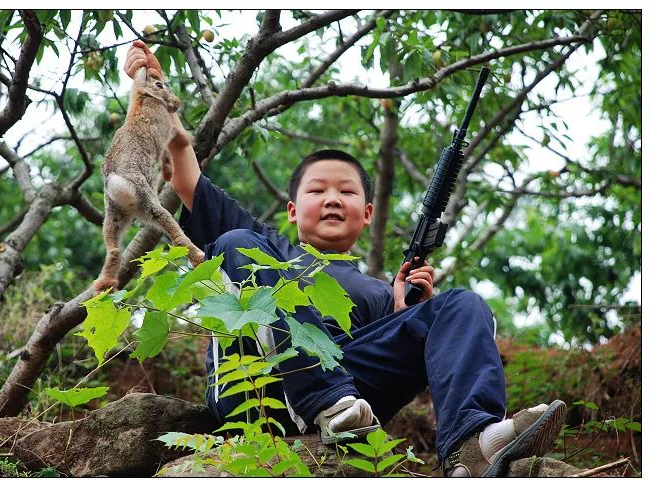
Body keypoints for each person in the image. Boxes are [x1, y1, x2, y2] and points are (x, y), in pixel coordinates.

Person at [123, 40, 567, 477]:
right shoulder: (265, 246)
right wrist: (151, 90)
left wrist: (407, 314)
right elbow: (185, 171)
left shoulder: (377, 292)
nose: (333, 199)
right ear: (293, 210)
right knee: (234, 243)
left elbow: (395, 358)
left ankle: (475, 444)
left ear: (367, 214)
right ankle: (326, 403)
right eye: (317, 190)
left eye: (347, 191)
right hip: (259, 389)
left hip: (351, 392)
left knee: (462, 305)